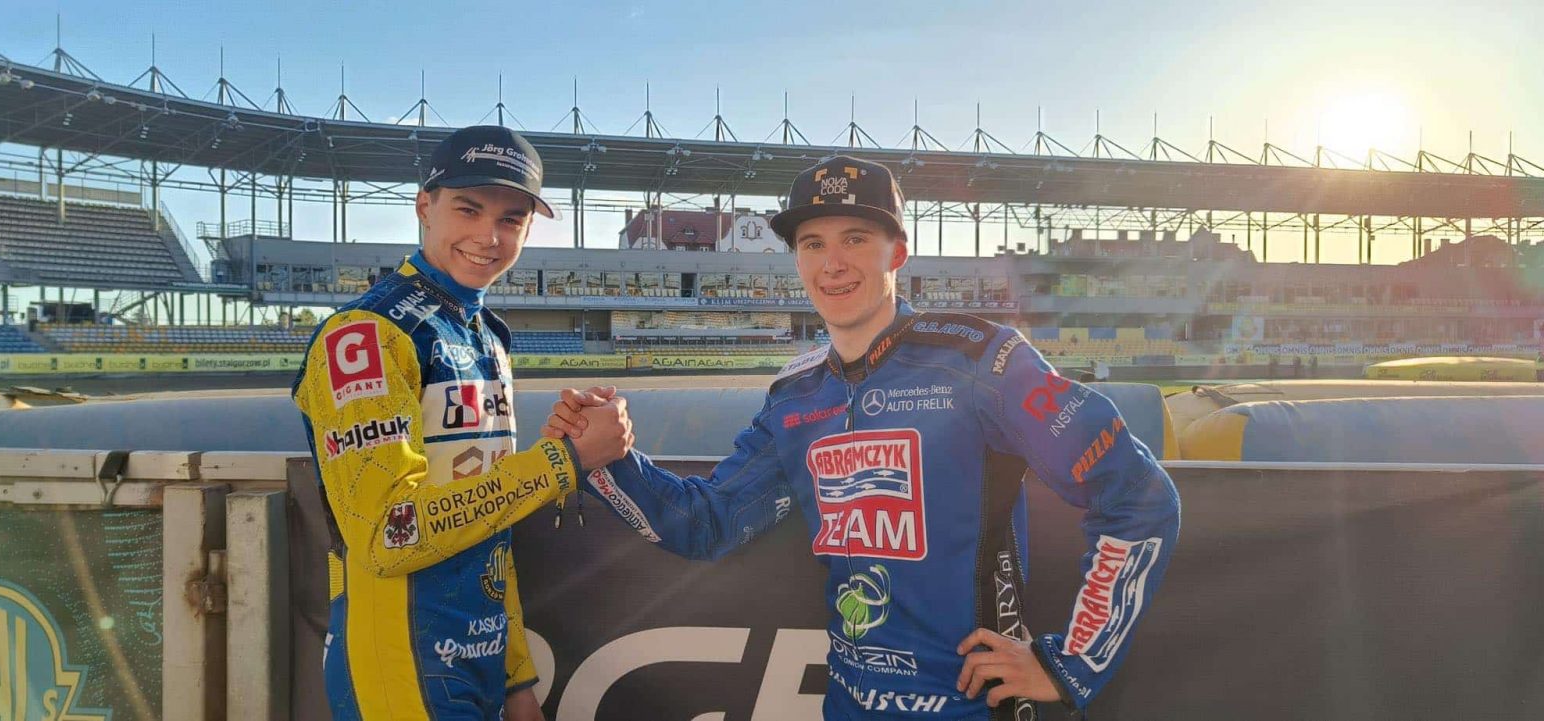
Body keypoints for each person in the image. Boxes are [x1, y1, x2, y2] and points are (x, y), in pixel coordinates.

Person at [545, 156, 1181, 719]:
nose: (833, 263)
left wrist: (1071, 663)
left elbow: (1137, 494)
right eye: (813, 243)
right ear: (798, 260)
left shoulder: (983, 360)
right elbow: (707, 525)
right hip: (847, 707)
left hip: (970, 710)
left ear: (896, 252)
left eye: (856, 238)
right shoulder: (794, 396)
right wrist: (604, 458)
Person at [291, 126, 632, 721]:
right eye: (468, 209)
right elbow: (386, 535)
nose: (488, 237)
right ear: (424, 207)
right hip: (398, 663)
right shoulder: (366, 335)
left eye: (511, 219)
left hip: (481, 655)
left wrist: (516, 676)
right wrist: (563, 461)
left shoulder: (488, 334)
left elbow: (488, 519)